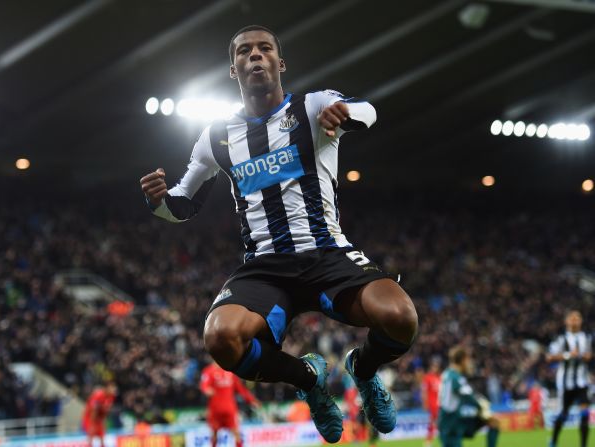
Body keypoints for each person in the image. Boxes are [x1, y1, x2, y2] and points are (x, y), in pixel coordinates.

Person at [140, 24, 418, 443]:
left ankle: (362, 369)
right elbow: (183, 203)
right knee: (220, 339)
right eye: (244, 51)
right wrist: (157, 200)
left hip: (327, 253)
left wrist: (345, 115)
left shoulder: (314, 105)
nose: (255, 55)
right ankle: (308, 379)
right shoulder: (216, 135)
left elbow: (368, 110)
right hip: (266, 269)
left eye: (264, 48)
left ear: (279, 62)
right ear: (233, 70)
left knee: (401, 318)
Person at [546, 310, 592, 447]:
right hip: (565, 384)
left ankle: (584, 444)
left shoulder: (587, 337)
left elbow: (589, 355)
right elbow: (549, 357)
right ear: (566, 321)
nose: (574, 320)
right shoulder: (560, 338)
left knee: (584, 412)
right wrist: (568, 355)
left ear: (581, 321)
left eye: (577, 318)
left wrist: (586, 356)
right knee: (563, 414)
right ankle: (553, 441)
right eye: (572, 318)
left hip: (582, 381)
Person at [438, 346, 499, 447]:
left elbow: (467, 395)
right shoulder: (454, 377)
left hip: (456, 419)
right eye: (468, 360)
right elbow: (468, 396)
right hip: (449, 424)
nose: (469, 363)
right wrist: (481, 407)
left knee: (493, 422)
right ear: (462, 360)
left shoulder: (449, 374)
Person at [200, 360, 259, 447]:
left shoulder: (230, 372)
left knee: (236, 433)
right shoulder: (209, 371)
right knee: (214, 433)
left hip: (229, 409)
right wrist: (206, 390)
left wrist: (251, 400)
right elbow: (204, 385)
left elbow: (240, 389)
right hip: (215, 409)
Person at [82, 381, 117, 447]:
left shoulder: (111, 397)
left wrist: (103, 420)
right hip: (90, 418)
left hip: (99, 419)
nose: (114, 389)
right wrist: (92, 424)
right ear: (106, 388)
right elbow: (93, 410)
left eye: (114, 387)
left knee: (102, 438)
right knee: (91, 438)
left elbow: (106, 410)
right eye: (112, 387)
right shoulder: (98, 395)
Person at [421, 358, 442, 447]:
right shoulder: (427, 377)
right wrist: (425, 403)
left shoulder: (440, 377)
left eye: (436, 366)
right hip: (433, 403)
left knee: (435, 422)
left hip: (440, 403)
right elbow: (424, 391)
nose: (435, 368)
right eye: (434, 366)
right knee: (435, 422)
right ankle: (428, 442)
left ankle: (428, 442)